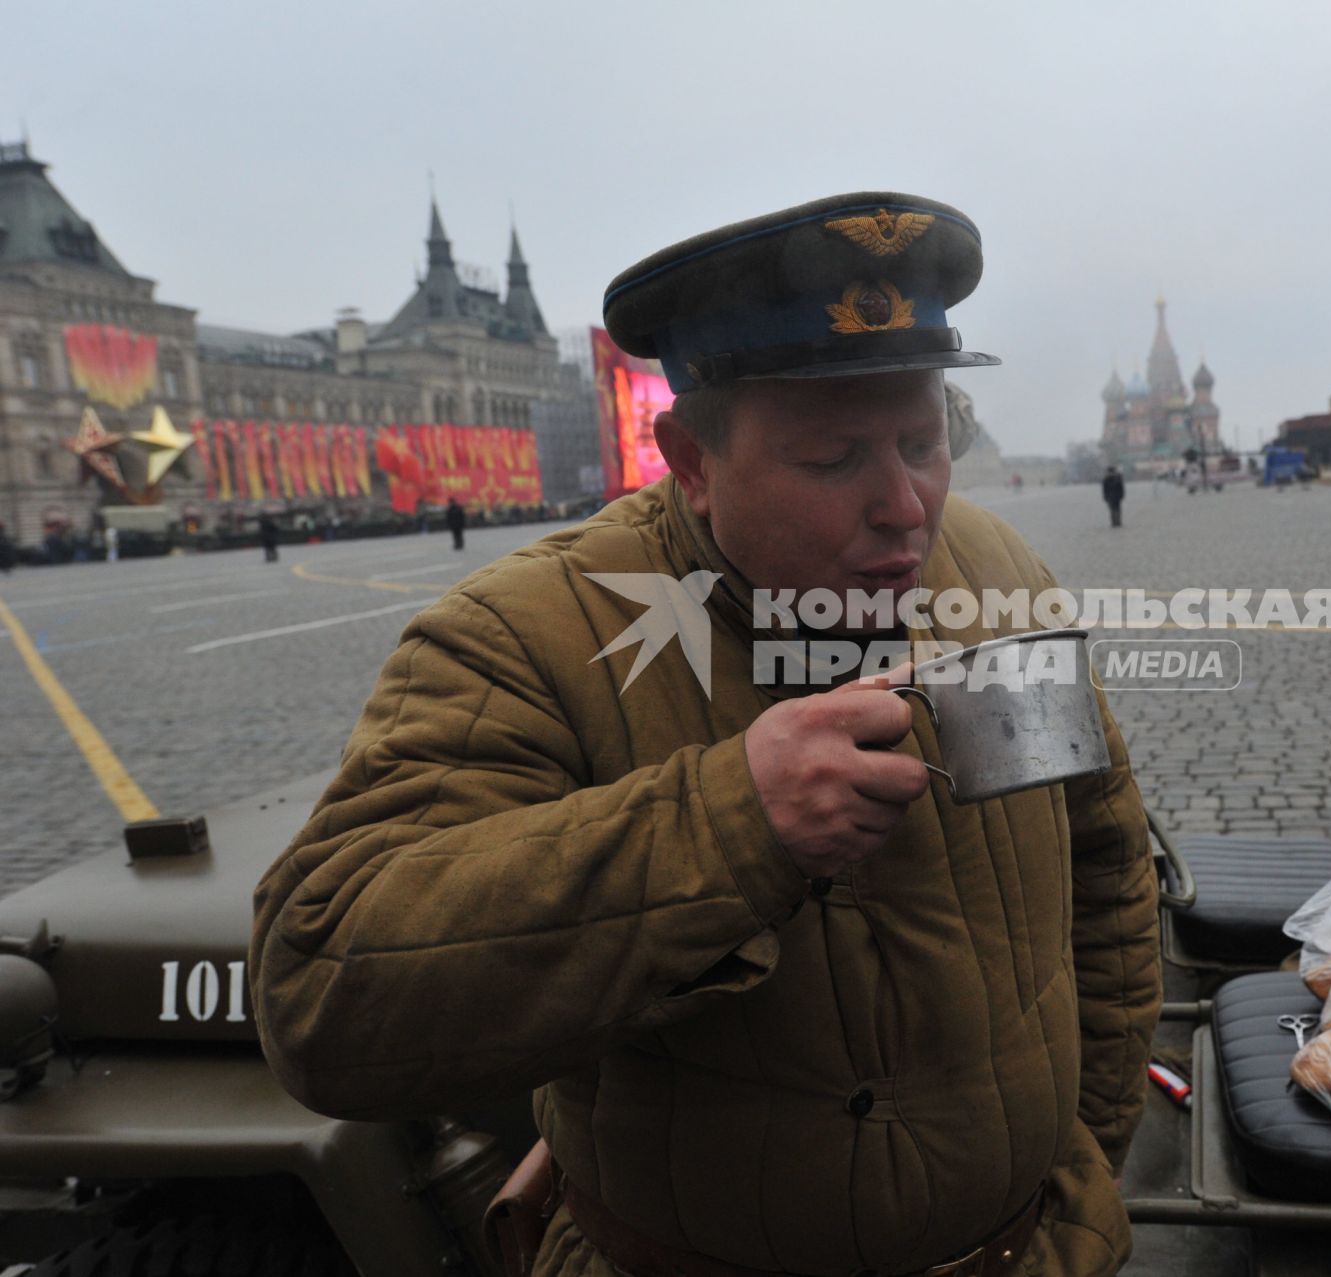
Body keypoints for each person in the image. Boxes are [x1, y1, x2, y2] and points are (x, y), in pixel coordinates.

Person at [250, 192, 1160, 1277]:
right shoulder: (533, 634)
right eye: (833, 459)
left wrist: (1086, 1151)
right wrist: (727, 827)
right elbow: (323, 994)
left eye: (924, 440)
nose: (906, 506)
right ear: (688, 457)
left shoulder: (996, 579)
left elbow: (1103, 865)